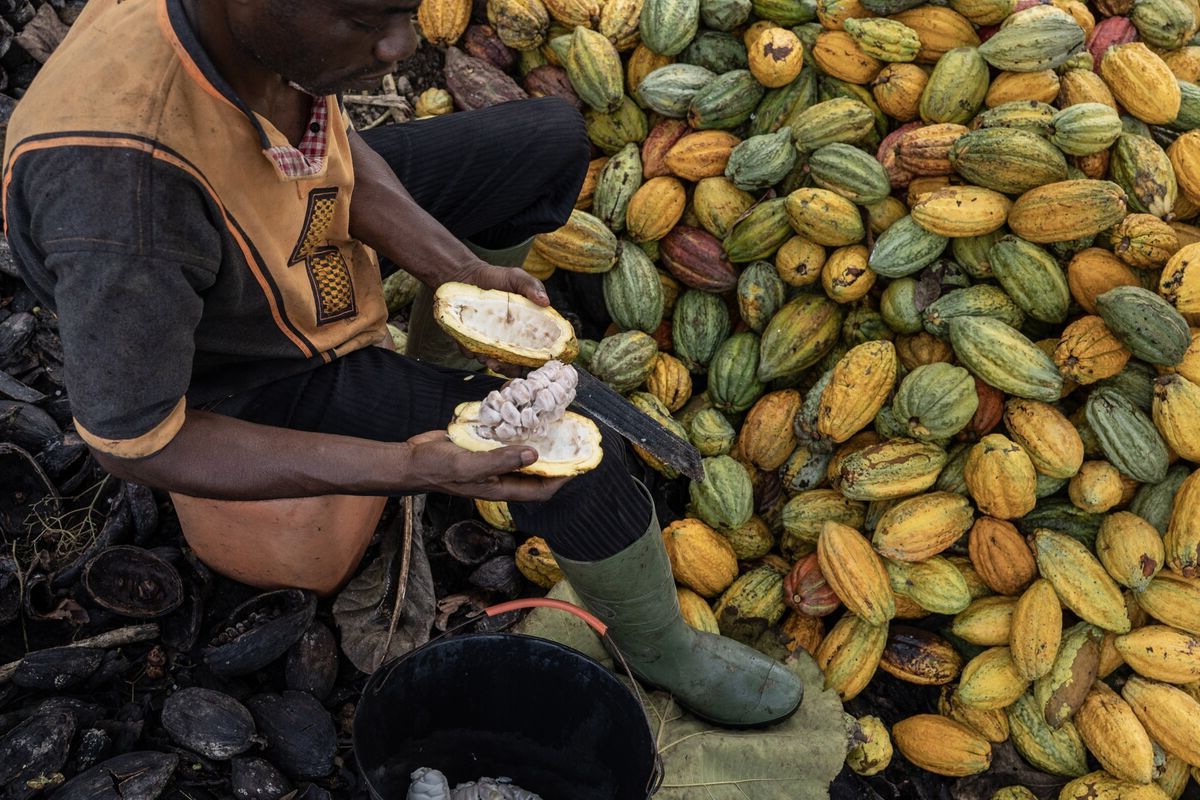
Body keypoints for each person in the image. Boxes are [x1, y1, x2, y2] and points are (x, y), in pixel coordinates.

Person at [1, 0, 802, 727]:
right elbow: (136, 439)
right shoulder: (125, 198)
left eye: (407, 10)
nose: (401, 45)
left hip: (280, 228)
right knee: (578, 458)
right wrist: (408, 465)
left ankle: (451, 356)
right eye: (363, 21)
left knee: (547, 141)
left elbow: (332, 157)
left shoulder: (261, 38)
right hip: (245, 360)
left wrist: (462, 275)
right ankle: (663, 649)